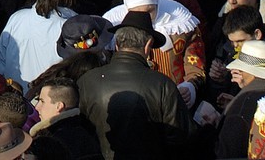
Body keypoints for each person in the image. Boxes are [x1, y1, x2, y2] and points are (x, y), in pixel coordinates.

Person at [76, 23, 187, 159]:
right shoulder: (163, 84)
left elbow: (81, 129)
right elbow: (179, 138)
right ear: (148, 45)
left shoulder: (86, 81)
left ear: (116, 44)